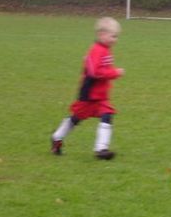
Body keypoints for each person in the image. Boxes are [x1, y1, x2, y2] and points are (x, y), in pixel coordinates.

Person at [50, 17, 124, 160]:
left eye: (117, 36)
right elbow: (94, 72)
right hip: (89, 94)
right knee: (76, 118)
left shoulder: (105, 50)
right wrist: (114, 73)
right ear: (101, 35)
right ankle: (57, 137)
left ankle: (101, 149)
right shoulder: (96, 50)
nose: (115, 39)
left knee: (107, 115)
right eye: (113, 36)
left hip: (101, 96)